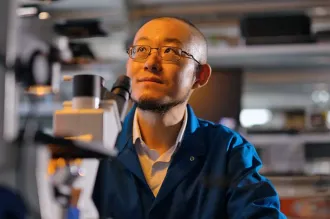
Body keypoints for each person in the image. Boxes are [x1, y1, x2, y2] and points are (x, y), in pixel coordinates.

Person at [93, 17, 287, 219]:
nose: (150, 63)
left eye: (170, 52)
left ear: (200, 76)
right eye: (141, 50)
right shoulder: (94, 145)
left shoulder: (228, 151)